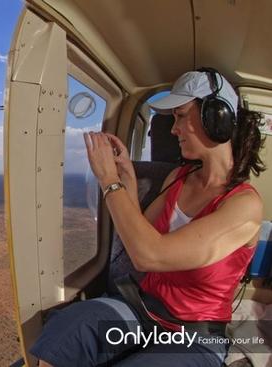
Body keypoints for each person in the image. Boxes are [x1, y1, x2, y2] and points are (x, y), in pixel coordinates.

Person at [30, 69, 266, 367]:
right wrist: (126, 177)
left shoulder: (244, 205)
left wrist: (108, 182)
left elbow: (149, 255)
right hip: (141, 312)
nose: (173, 129)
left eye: (181, 116)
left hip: (192, 335)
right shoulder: (177, 178)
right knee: (66, 334)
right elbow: (138, 234)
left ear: (216, 118)